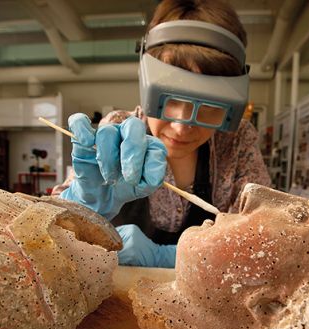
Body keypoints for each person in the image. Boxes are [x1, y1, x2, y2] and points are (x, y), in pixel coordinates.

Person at [60, 0, 270, 268]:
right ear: (147, 85)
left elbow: (264, 238)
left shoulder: (236, 141)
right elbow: (54, 236)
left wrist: (169, 258)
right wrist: (83, 206)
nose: (182, 127)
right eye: (170, 99)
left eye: (209, 107)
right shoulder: (117, 130)